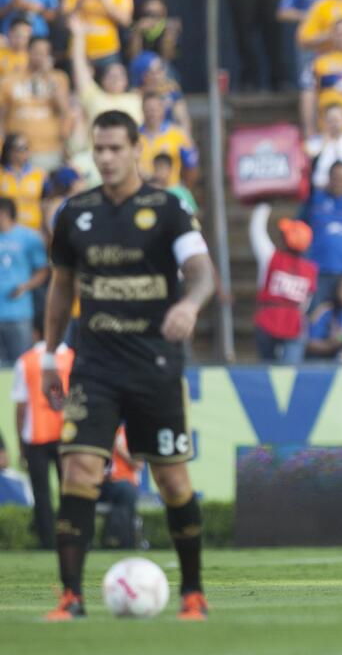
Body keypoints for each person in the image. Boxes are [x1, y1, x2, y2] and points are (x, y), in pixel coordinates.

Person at [43, 109, 216, 620]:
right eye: (99, 149)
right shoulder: (75, 214)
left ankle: (193, 592)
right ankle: (71, 597)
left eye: (116, 148)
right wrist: (51, 353)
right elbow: (61, 293)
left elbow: (202, 272)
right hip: (94, 365)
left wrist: (189, 304)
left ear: (136, 148)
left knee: (172, 482)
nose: (107, 158)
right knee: (78, 469)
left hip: (154, 366)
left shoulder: (167, 210)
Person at [12, 337, 73, 548]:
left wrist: (21, 445)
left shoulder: (26, 361)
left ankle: (47, 541)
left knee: (41, 492)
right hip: (67, 436)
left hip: (35, 435)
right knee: (70, 490)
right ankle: (71, 537)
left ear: (36, 332)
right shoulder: (73, 358)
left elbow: (21, 408)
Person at [250, 202, 318, 364]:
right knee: (291, 373)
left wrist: (263, 205)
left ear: (284, 240)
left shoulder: (271, 257)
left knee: (267, 369)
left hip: (268, 320)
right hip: (293, 323)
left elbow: (256, 232)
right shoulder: (311, 269)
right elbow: (306, 303)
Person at [298, 161, 342, 306]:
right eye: (335, 177)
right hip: (319, 268)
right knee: (315, 311)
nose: (339, 182)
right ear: (329, 177)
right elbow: (299, 224)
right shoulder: (314, 199)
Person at [0, 43, 71, 175]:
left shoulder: (59, 77)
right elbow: (2, 115)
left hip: (49, 148)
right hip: (16, 151)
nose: (40, 57)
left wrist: (48, 76)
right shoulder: (10, 80)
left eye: (45, 54)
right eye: (36, 52)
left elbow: (64, 109)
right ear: (27, 52)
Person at [0, 195, 47, 360]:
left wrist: (25, 287)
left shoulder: (29, 237)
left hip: (18, 313)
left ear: (4, 213)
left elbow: (43, 270)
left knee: (21, 364)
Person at [138, 92, 197, 190]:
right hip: (143, 192)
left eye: (155, 109)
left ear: (163, 110)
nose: (152, 113)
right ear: (142, 110)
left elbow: (191, 166)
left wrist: (183, 189)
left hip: (171, 190)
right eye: (148, 109)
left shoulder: (178, 134)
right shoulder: (134, 136)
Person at [97, 427, 140, 549]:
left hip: (124, 484)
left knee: (126, 491)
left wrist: (121, 450)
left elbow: (138, 464)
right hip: (101, 484)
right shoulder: (99, 431)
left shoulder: (129, 433)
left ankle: (120, 540)